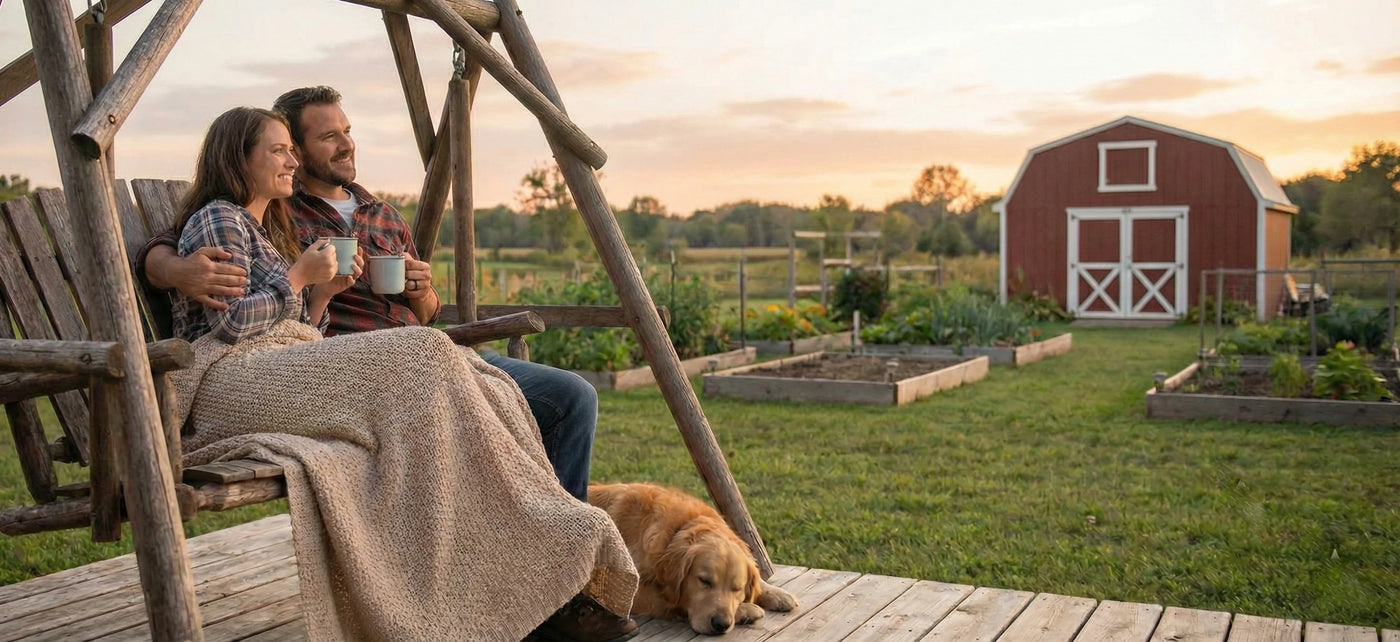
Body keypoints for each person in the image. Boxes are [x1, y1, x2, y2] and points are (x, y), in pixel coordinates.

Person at [168, 106, 638, 642]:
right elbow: (228, 325)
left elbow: (300, 326)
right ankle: (502, 570)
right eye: (280, 149)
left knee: (493, 385)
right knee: (426, 351)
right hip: (233, 377)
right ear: (238, 159)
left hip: (290, 361)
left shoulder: (273, 223)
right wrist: (299, 278)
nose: (291, 159)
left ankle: (547, 566)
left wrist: (324, 294)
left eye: (290, 149)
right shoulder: (221, 217)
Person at [140, 86, 598, 504]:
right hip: (356, 361)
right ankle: (518, 516)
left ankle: (544, 520)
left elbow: (425, 315)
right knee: (441, 379)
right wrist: (175, 269)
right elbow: (176, 242)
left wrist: (419, 292)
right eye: (325, 138)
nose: (344, 145)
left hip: (412, 350)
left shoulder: (379, 214)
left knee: (573, 395)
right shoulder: (278, 210)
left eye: (347, 132)